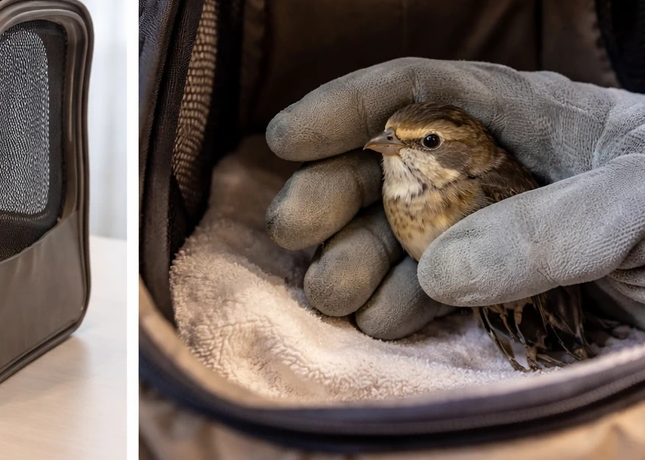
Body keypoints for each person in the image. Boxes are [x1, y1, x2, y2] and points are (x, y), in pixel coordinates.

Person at [264, 57, 645, 339]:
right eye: (391, 136)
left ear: (464, 154)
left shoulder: (489, 185)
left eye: (429, 142)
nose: (389, 145)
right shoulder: (393, 192)